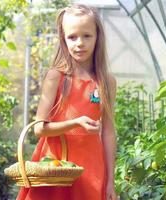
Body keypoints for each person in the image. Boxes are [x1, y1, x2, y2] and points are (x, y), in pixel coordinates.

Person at [17, 4, 117, 200]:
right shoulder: (57, 77)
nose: (80, 43)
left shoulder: (106, 82)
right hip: (55, 165)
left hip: (91, 166)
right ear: (63, 39)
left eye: (87, 35)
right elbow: (39, 129)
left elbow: (108, 131)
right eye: (72, 37)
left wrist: (111, 180)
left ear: (98, 37)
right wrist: (75, 123)